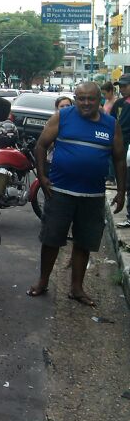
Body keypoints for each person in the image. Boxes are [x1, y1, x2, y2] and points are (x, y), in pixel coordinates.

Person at [27, 81, 126, 306]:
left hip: (92, 196)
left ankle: (76, 288)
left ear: (99, 99)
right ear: (75, 98)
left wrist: (121, 191)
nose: (85, 103)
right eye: (81, 98)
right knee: (51, 239)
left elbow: (119, 158)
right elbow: (41, 145)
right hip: (60, 192)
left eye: (91, 98)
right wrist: (42, 177)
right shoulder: (63, 117)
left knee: (84, 242)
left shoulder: (111, 125)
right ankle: (43, 282)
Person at [112, 74, 130, 227]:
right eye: (121, 86)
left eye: (125, 85)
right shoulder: (119, 103)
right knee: (125, 181)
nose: (122, 89)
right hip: (121, 148)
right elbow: (111, 121)